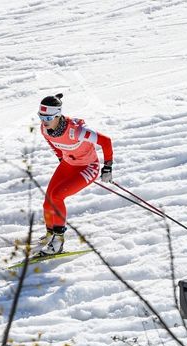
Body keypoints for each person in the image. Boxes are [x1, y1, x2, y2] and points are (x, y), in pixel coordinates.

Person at [36, 93, 114, 255]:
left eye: (48, 118)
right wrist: (60, 157)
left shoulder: (78, 131)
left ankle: (58, 242)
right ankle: (50, 233)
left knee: (57, 196)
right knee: (48, 199)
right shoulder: (45, 129)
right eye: (41, 117)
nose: (44, 122)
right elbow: (54, 144)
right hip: (68, 164)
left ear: (58, 116)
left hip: (88, 167)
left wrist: (107, 167)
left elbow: (105, 141)